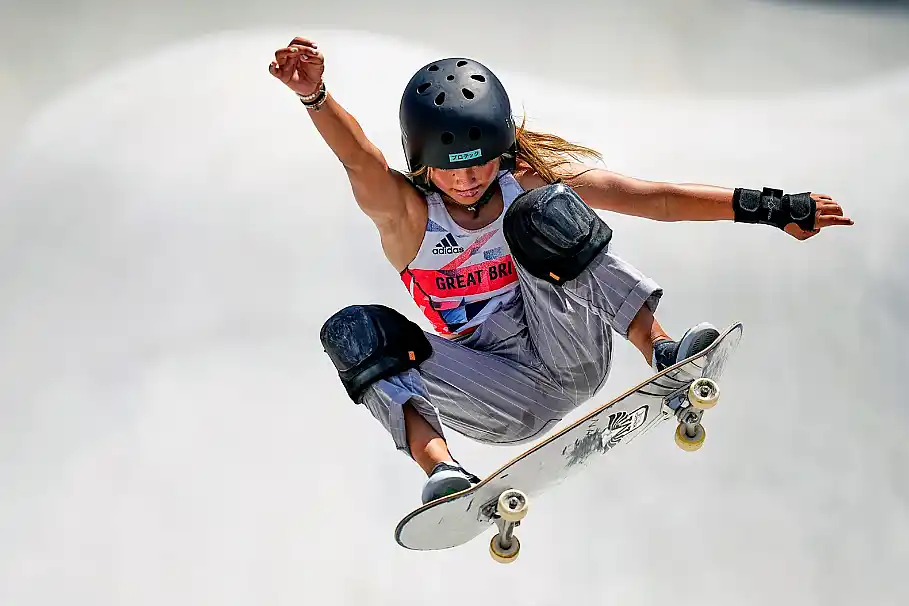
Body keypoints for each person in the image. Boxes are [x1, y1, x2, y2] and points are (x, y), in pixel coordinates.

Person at [268, 37, 854, 504]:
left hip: (569, 344)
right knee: (359, 331)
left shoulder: (527, 182)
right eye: (451, 169)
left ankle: (662, 348)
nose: (469, 180)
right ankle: (443, 473)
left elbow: (655, 197)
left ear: (501, 145)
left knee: (540, 215)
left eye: (480, 164)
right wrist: (315, 96)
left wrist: (771, 208)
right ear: (425, 163)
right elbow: (357, 157)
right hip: (496, 392)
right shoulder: (407, 217)